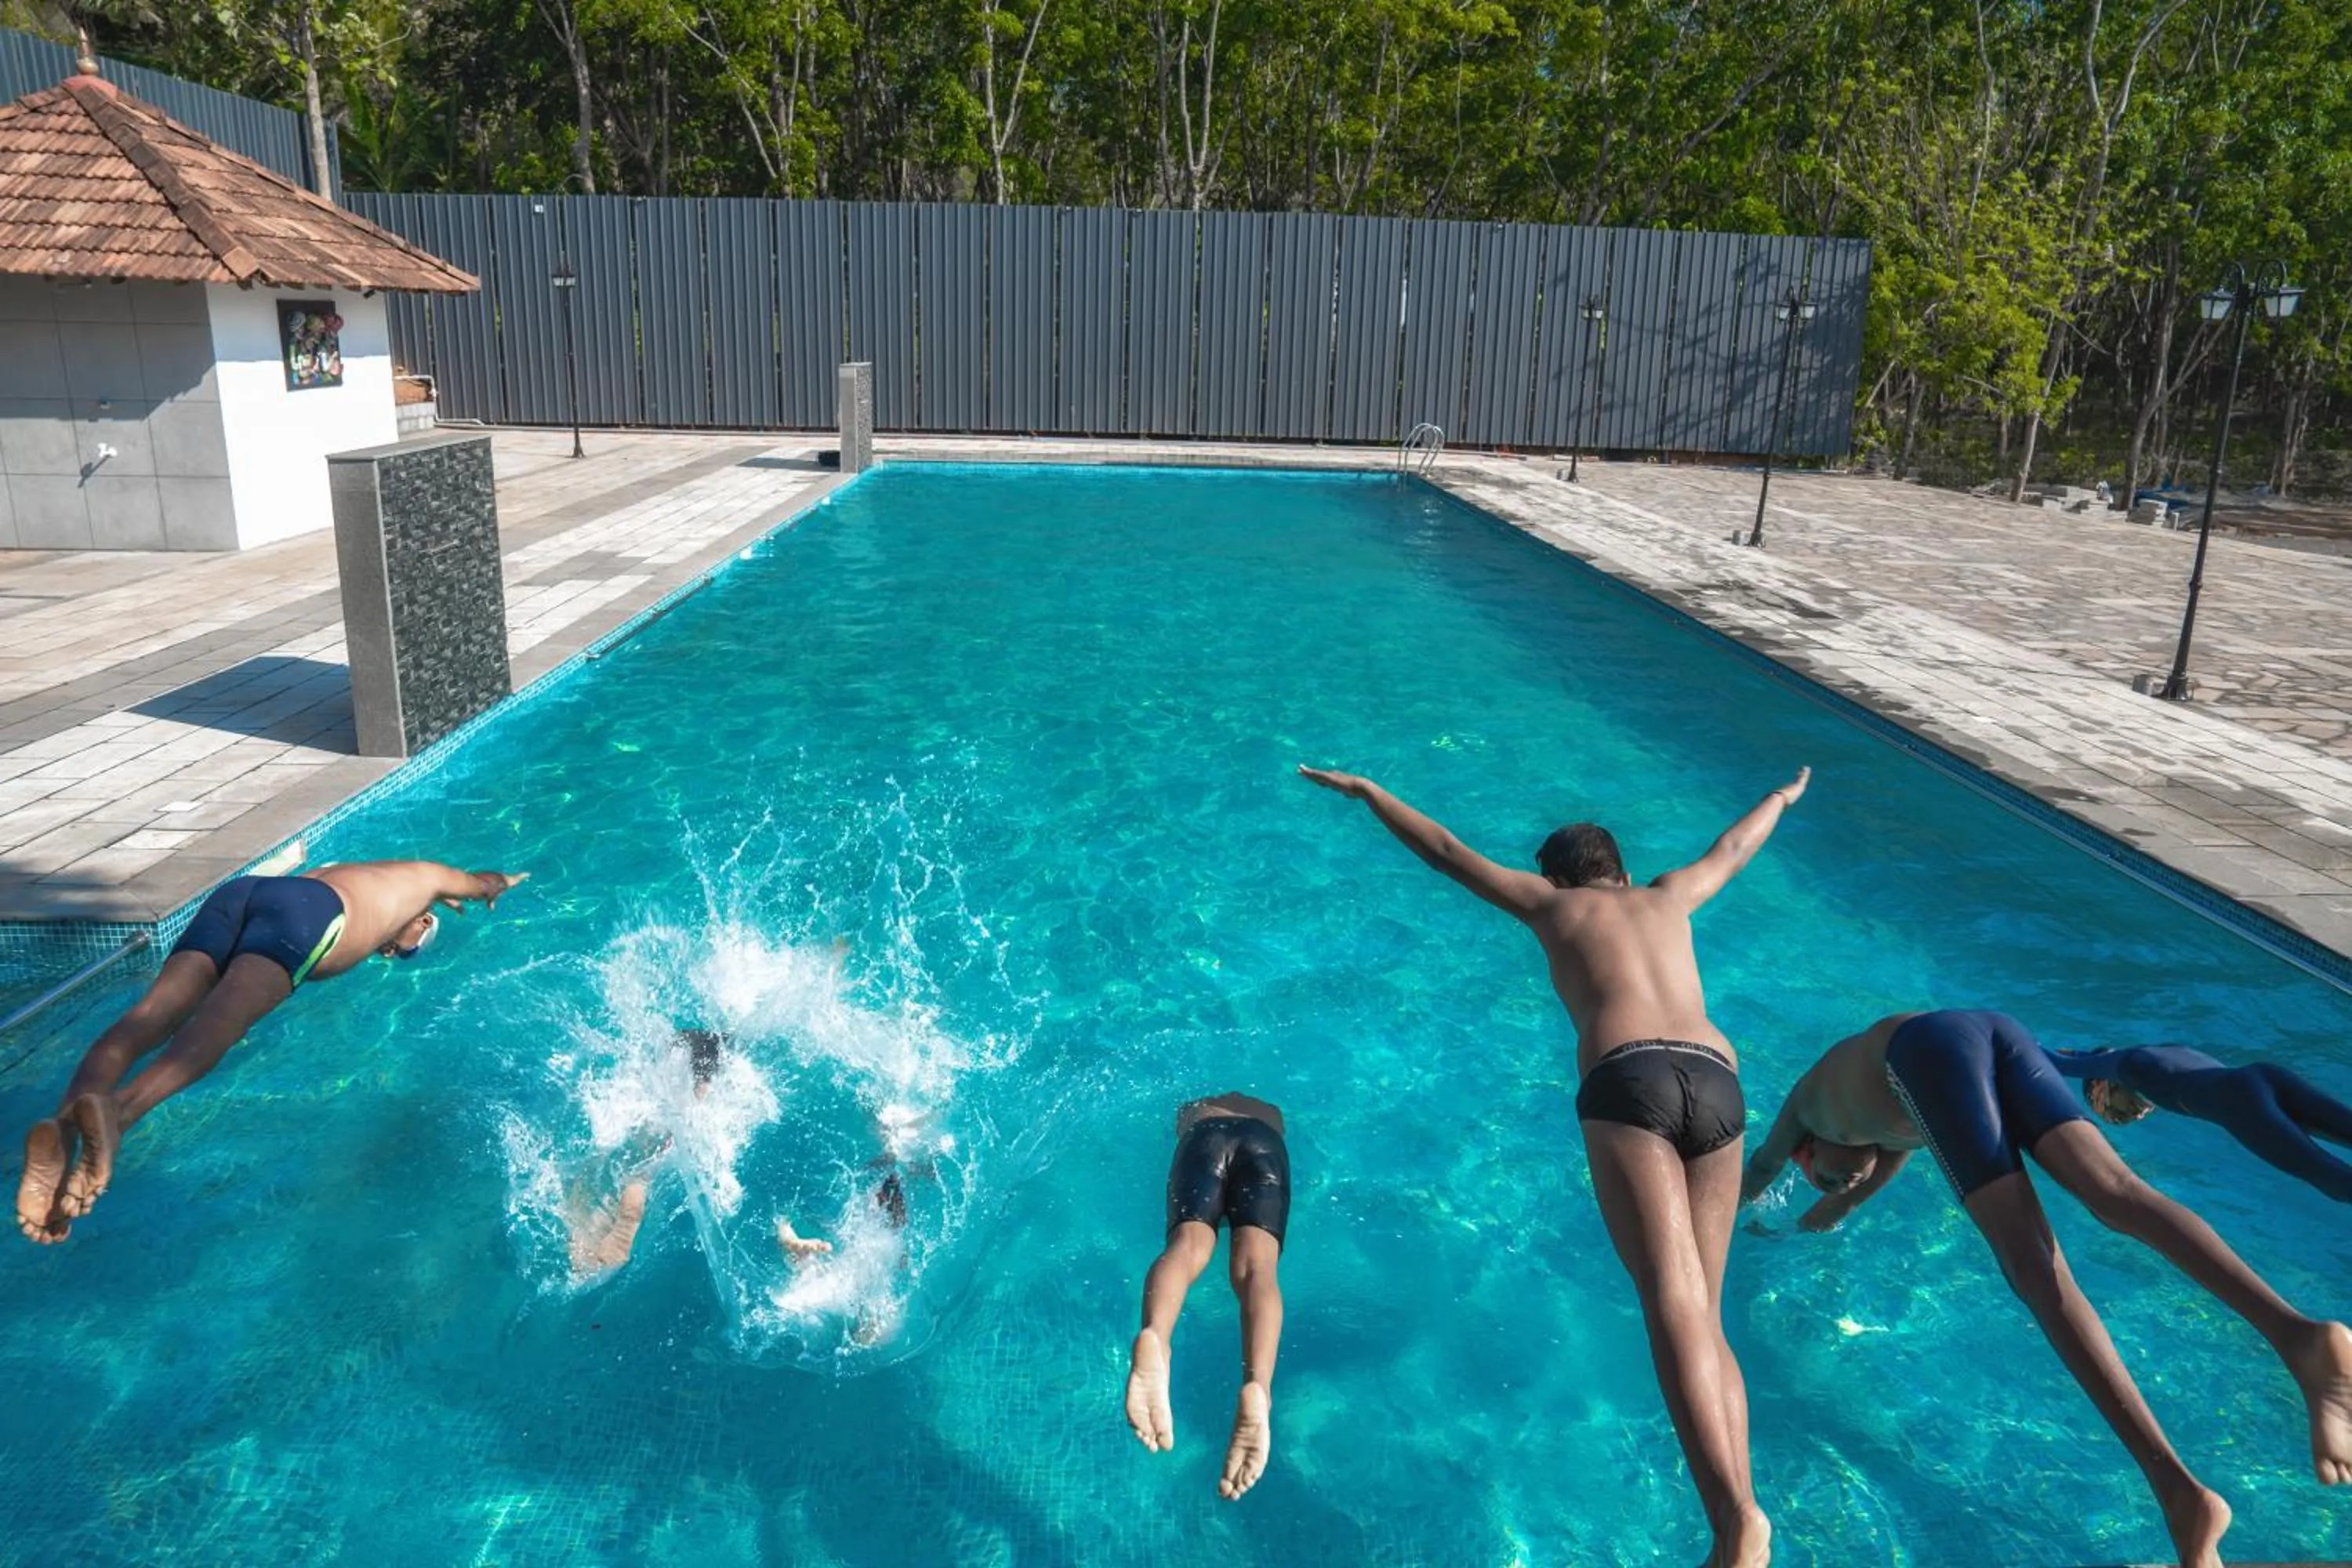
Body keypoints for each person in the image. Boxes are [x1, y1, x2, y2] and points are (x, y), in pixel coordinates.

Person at [1298, 764, 1806, 1565]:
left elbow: (1443, 849)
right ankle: (1745, 1512)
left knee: (1669, 1300)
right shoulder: (1669, 894)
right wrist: (1779, 797)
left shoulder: (1551, 904)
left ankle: (1735, 1521)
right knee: (1702, 1311)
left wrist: (1369, 792)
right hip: (1717, 1076)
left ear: (1557, 876)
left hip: (1629, 1072)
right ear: (1623, 870)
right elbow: (1734, 848)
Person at [1741, 1009, 2352, 1568]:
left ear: (1803, 1154)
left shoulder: (1803, 1112)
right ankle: (2300, 1336)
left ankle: (2178, 1493)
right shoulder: (1877, 1119)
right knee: (2118, 1193)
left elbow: (1753, 1174)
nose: (1838, 1180)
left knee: (2034, 1270)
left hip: (1928, 1052)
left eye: (1825, 1177)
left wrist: (1701, 1222)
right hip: (1986, 1030)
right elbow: (1891, 1154)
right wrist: (1827, 1214)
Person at [15, 859, 527, 1244]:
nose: (389, 953)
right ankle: (120, 1114)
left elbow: (472, 879)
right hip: (308, 916)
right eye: (402, 950)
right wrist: (501, 884)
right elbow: (481, 883)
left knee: (149, 1017)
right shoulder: (425, 886)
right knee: (218, 1025)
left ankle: (62, 1129)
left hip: (245, 894)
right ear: (420, 923)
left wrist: (480, 883)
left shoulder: (388, 873)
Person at [1122, 1091, 1290, 1501]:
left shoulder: (1191, 1101)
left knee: (1186, 1247)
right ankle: (1257, 1387)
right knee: (1257, 1269)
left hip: (1202, 1136)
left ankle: (1157, 1337)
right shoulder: (1271, 1105)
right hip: (1265, 1141)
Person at [2047, 1043, 2352, 1203]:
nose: (2135, 1114)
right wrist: (2079, 1052)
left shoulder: (2132, 1067)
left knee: (2330, 1178)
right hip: (2265, 1075)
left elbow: (2061, 1064)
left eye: (2115, 1110)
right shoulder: (2158, 1052)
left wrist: (2007, 1035)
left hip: (2242, 1104)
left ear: (2106, 1086)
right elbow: (2084, 1058)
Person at [566, 1026, 729, 1277]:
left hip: (624, 1131)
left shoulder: (635, 1090)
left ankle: (584, 1221)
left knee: (605, 1167)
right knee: (640, 1178)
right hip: (653, 1144)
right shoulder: (688, 1111)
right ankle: (624, 1225)